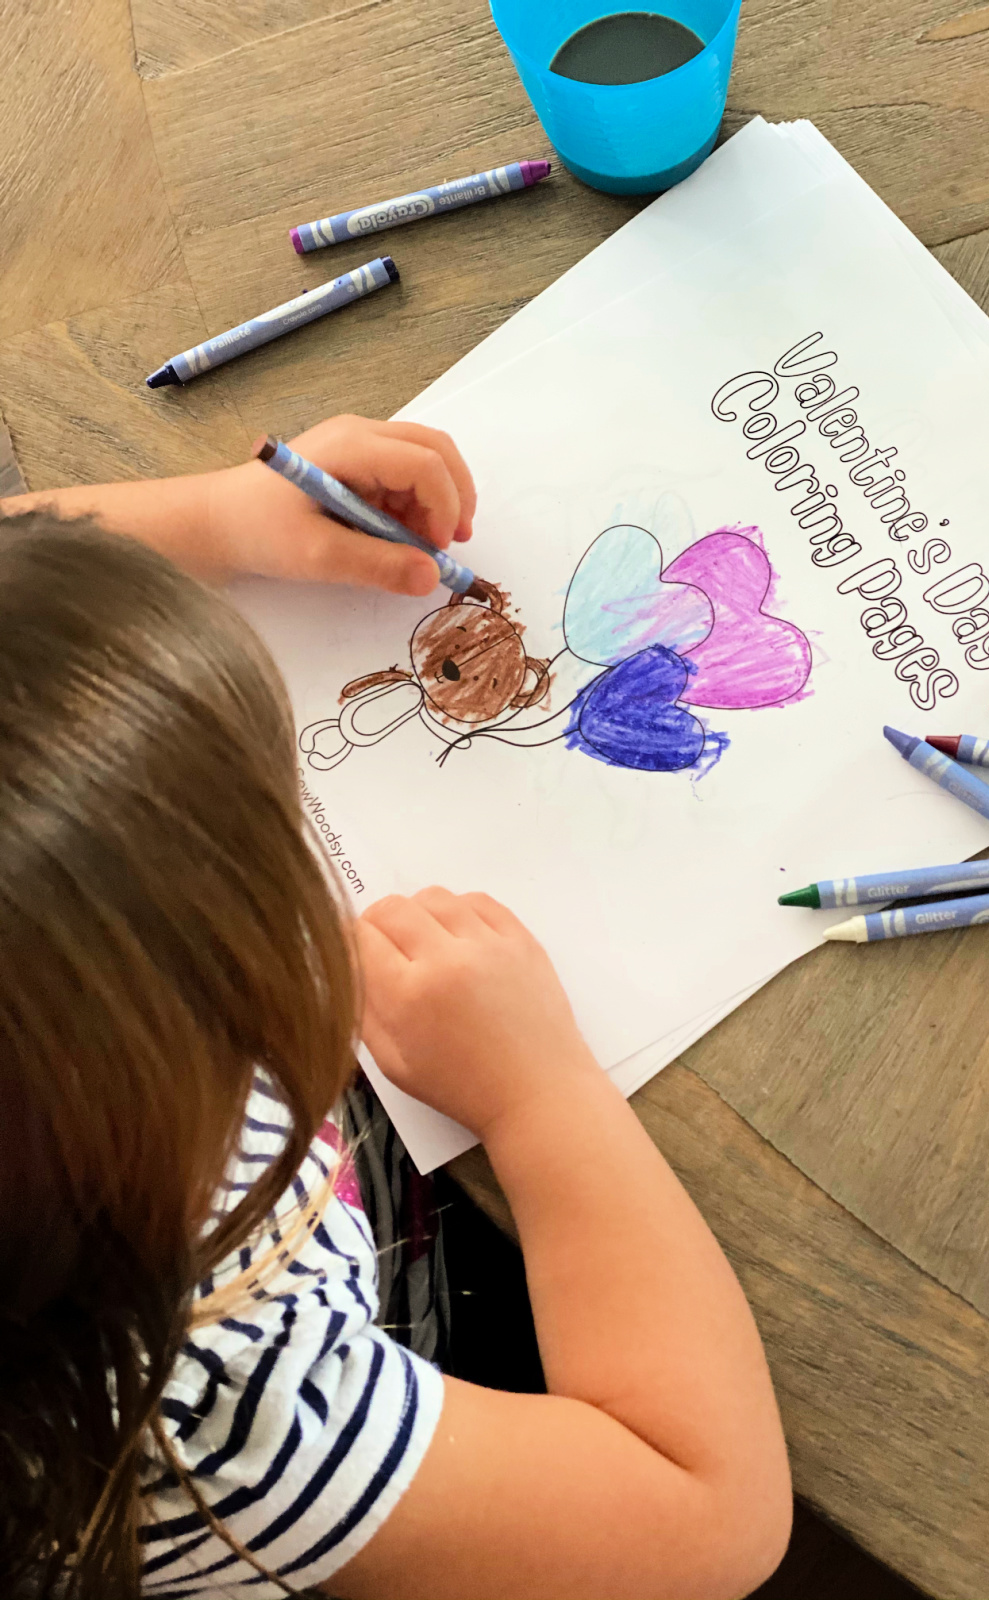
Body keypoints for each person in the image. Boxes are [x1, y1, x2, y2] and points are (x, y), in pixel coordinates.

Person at [0, 415, 792, 1600]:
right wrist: (540, 1100)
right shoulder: (205, 1410)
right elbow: (706, 1511)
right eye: (261, 848)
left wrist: (221, 517)